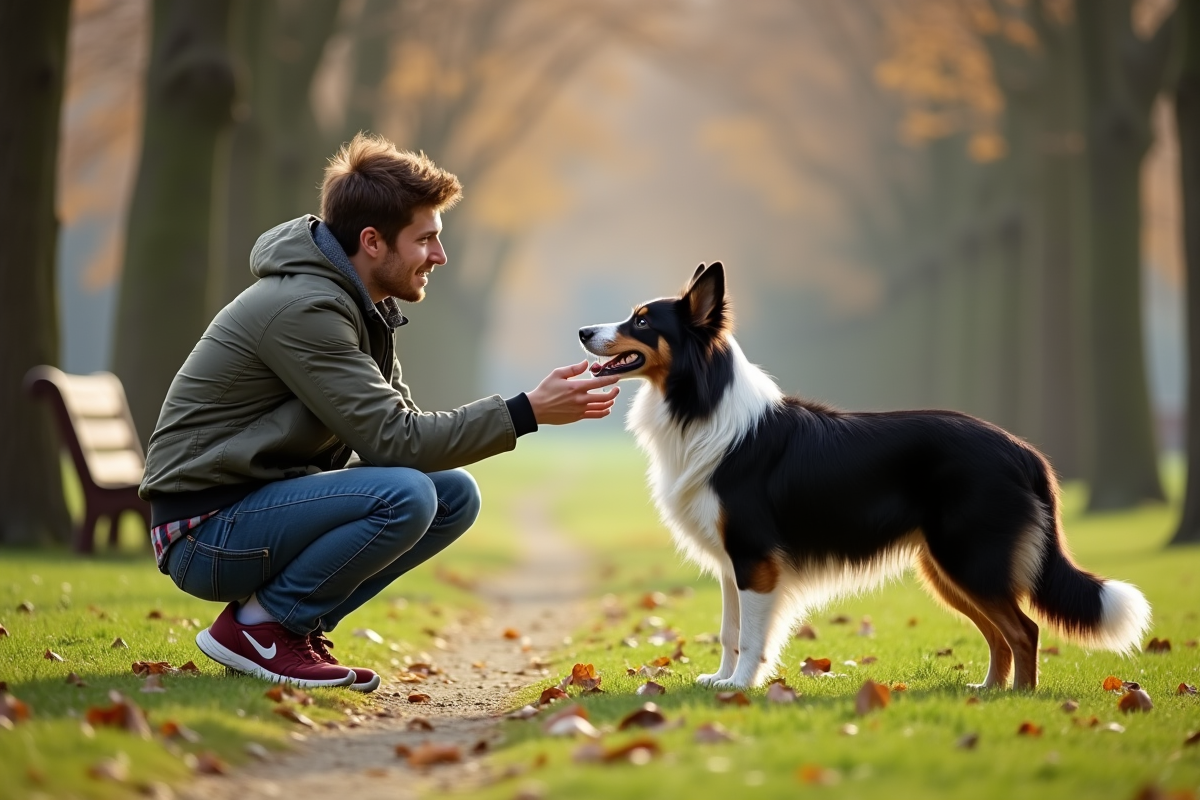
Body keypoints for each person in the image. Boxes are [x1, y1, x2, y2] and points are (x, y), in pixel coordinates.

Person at [139, 132, 619, 692]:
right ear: (372, 241)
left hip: (252, 507)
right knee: (407, 495)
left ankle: (286, 627)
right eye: (426, 240)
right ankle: (265, 632)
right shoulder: (307, 310)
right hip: (203, 532)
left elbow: (403, 433)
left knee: (450, 494)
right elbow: (397, 444)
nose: (439, 257)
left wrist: (525, 410)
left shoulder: (360, 307)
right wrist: (524, 412)